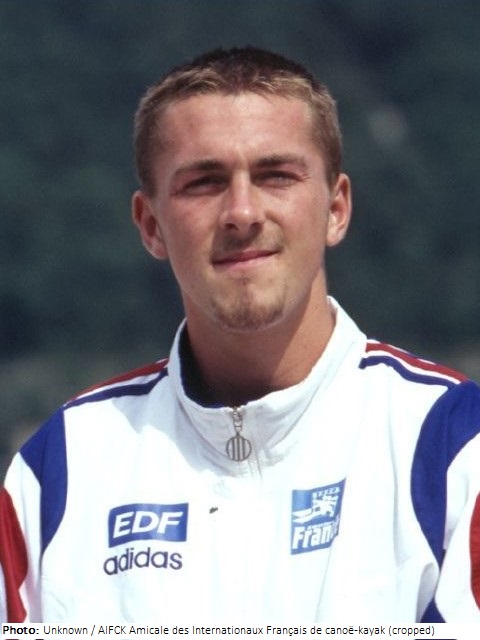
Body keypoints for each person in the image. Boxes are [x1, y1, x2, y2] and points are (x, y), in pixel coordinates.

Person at [1, 47, 479, 624]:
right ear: (151, 225)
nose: (243, 212)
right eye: (204, 183)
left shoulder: (453, 449)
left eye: (276, 176)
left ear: (336, 208)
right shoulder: (61, 469)